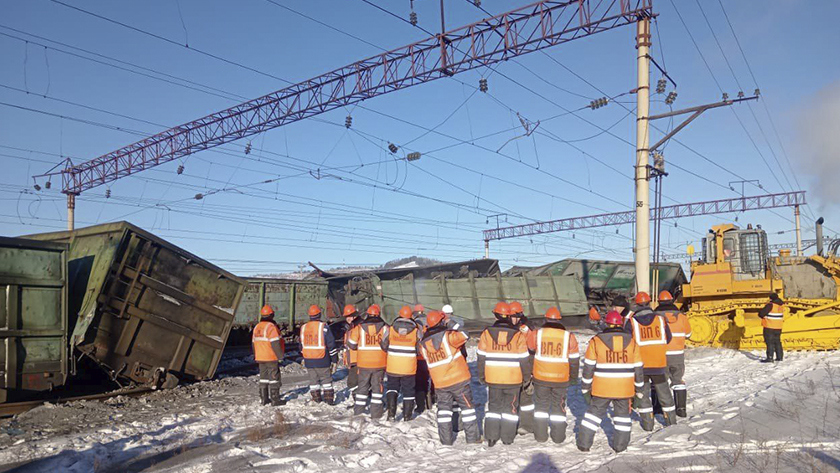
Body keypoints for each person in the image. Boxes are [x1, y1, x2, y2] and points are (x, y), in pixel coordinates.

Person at [577, 311, 644, 453]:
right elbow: (638, 370)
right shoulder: (632, 343)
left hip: (602, 388)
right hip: (624, 389)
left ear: (606, 323)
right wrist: (639, 391)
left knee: (592, 416)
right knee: (623, 418)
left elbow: (588, 368)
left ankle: (584, 444)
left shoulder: (596, 341)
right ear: (621, 324)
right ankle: (620, 446)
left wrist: (585, 388)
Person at [420, 310, 480, 445]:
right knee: (468, 409)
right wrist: (453, 324)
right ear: (441, 321)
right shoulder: (448, 337)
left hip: (440, 383)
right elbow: (465, 334)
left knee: (444, 412)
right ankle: (473, 439)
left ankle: (445, 441)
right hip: (458, 380)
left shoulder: (423, 344)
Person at [477, 302, 531, 447]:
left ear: (495, 315)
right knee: (511, 408)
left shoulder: (486, 334)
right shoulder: (518, 335)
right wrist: (526, 378)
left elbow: (481, 357)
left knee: (494, 408)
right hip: (513, 379)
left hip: (493, 378)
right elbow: (524, 359)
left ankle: (492, 438)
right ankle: (507, 438)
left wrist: (481, 375)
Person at [526, 307, 579, 444]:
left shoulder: (537, 334)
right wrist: (573, 377)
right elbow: (574, 360)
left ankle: (540, 436)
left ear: (545, 319)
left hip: (541, 377)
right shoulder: (569, 337)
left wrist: (530, 373)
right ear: (560, 320)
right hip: (561, 379)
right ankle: (558, 437)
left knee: (541, 407)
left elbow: (530, 351)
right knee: (558, 407)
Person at [624, 292, 676, 430]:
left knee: (643, 395)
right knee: (664, 394)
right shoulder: (660, 320)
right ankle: (671, 422)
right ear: (649, 303)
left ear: (636, 305)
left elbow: (627, 343)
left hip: (641, 366)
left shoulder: (631, 322)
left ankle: (648, 424)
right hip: (659, 363)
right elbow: (669, 338)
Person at [347, 304, 388, 418]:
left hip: (364, 364)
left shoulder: (359, 328)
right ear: (378, 314)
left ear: (368, 314)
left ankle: (358, 412)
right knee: (377, 389)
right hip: (379, 364)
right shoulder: (385, 328)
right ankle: (376, 413)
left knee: (362, 388)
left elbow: (351, 344)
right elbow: (387, 346)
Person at [381, 306, 421, 421]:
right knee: (408, 390)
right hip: (409, 366)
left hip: (393, 364)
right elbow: (420, 348)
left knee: (392, 388)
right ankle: (407, 416)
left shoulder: (391, 329)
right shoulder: (416, 331)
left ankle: (391, 414)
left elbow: (383, 345)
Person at [657, 291, 691, 417]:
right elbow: (688, 334)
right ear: (672, 301)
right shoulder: (681, 317)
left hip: (661, 355)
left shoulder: (655, 317)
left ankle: (660, 409)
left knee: (661, 382)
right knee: (678, 381)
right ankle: (681, 409)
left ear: (659, 302)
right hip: (677, 355)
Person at [300, 304, 338, 405]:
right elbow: (331, 344)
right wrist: (334, 359)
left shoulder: (303, 328)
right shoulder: (323, 327)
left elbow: (301, 345)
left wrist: (304, 357)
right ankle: (329, 401)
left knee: (313, 381)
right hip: (322, 359)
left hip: (309, 360)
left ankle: (317, 400)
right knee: (326, 380)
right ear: (319, 315)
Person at [509, 301, 536, 435]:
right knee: (512, 397)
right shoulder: (511, 326)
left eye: (516, 316)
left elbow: (532, 347)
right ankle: (511, 425)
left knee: (526, 396)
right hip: (512, 363)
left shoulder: (527, 328)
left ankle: (527, 425)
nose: (514, 319)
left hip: (525, 361)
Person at [252, 305, 286, 406]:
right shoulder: (271, 327)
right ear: (271, 315)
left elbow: (253, 343)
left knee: (263, 377)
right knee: (274, 377)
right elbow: (275, 343)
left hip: (260, 357)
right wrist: (280, 356)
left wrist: (256, 355)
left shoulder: (257, 327)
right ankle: (275, 400)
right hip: (270, 357)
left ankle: (264, 398)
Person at [341, 304, 362, 408]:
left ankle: (359, 403)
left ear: (355, 316)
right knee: (357, 383)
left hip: (358, 360)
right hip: (352, 360)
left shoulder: (357, 327)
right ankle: (360, 402)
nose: (348, 319)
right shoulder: (351, 328)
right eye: (346, 317)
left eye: (350, 316)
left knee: (352, 383)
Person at [412, 304, 431, 414]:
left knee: (419, 382)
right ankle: (431, 400)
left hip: (419, 356)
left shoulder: (415, 324)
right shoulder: (429, 321)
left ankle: (420, 405)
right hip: (430, 356)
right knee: (428, 379)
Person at [759, 293, 785, 363]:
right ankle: (779, 357)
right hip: (778, 327)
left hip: (769, 326)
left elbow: (761, 314)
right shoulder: (781, 306)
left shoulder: (770, 305)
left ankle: (770, 358)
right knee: (777, 342)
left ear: (771, 298)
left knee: (769, 342)